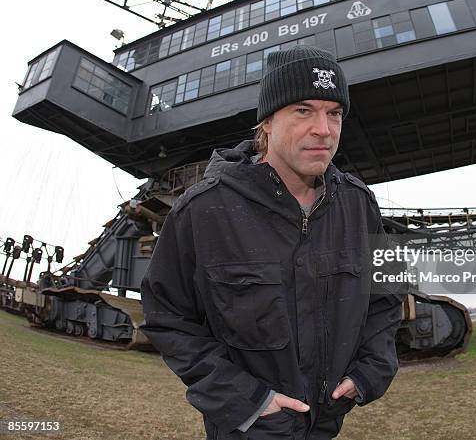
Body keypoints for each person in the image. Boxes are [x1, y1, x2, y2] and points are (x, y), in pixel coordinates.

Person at [140, 45, 404, 440]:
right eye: (303, 110)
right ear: (266, 122)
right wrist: (249, 401)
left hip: (325, 424)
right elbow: (168, 318)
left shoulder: (358, 204)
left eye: (334, 113)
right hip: (249, 427)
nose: (324, 129)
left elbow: (385, 300)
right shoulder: (205, 209)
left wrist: (370, 370)